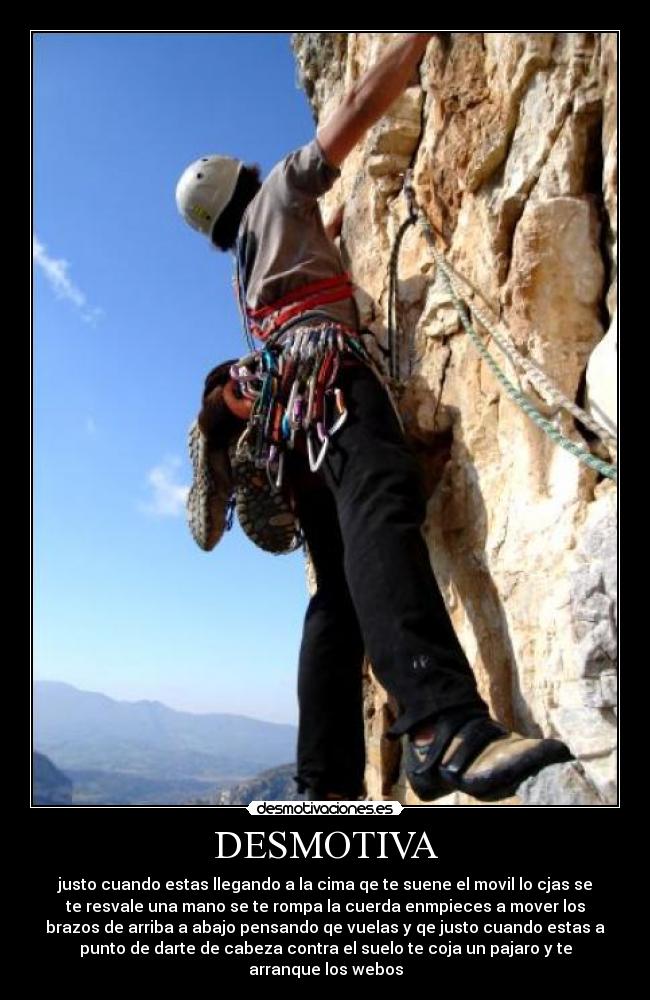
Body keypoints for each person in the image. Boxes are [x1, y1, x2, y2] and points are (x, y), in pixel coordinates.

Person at [175, 33, 572, 802]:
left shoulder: (243, 270)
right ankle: (439, 722)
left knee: (337, 595)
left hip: (292, 430)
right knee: (383, 503)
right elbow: (356, 109)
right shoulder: (282, 195)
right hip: (331, 386)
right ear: (243, 179)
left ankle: (323, 787)